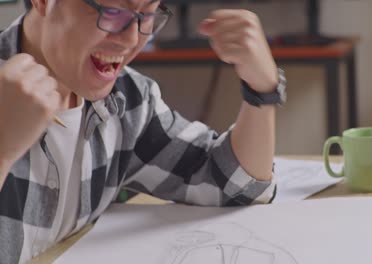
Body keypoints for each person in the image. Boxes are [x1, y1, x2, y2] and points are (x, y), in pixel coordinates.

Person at [0, 0, 286, 262]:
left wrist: (262, 89)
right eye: (110, 12)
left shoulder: (128, 102)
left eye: (147, 14)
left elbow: (234, 184)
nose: (131, 38)